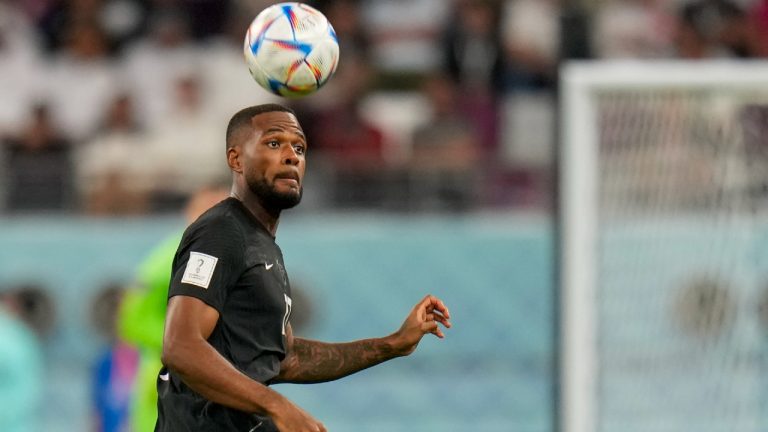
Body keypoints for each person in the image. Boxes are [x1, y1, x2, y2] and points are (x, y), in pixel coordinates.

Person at [156, 103, 452, 432]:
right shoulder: (220, 231)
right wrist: (277, 405)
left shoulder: (262, 246)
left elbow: (284, 358)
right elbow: (179, 345)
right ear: (235, 159)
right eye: (273, 143)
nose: (291, 156)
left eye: (299, 147)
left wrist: (392, 344)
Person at [118, 184, 229, 432]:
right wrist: (190, 346)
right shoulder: (168, 259)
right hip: (168, 379)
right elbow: (133, 320)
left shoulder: (223, 260)